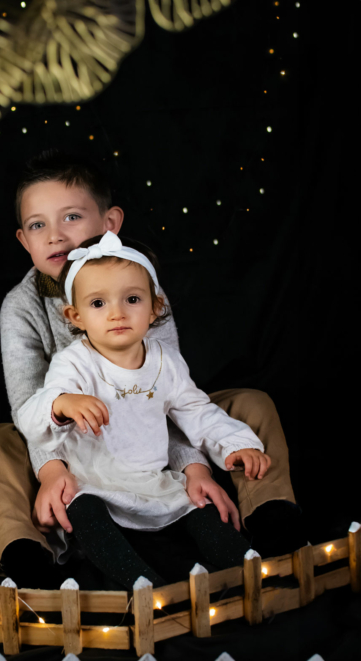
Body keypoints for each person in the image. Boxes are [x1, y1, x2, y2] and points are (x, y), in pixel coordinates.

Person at [0, 148, 307, 588]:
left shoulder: (139, 284)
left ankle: (271, 522)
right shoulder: (21, 307)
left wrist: (192, 468)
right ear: (24, 240)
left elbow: (171, 391)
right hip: (72, 443)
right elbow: (30, 408)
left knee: (252, 402)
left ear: (109, 224)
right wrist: (52, 471)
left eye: (70, 217)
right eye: (38, 225)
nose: (54, 236)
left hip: (146, 426)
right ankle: (29, 555)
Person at [16, 231, 274, 588]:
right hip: (95, 482)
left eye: (132, 299)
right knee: (84, 512)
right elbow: (30, 419)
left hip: (154, 480)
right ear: (75, 316)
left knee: (200, 509)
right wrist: (61, 404)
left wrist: (235, 443)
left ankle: (251, 574)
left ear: (155, 308)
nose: (117, 313)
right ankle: (144, 586)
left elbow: (195, 409)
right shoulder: (74, 362)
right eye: (98, 304)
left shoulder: (164, 361)